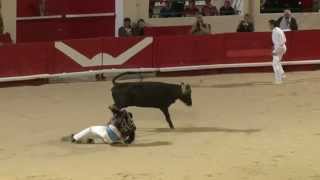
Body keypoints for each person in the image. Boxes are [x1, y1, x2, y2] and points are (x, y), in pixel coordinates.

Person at [64, 105, 136, 145]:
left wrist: (118, 109)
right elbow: (130, 140)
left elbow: (111, 107)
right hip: (113, 139)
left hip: (109, 132)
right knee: (104, 136)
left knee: (91, 129)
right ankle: (92, 141)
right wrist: (122, 141)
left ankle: (74, 138)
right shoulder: (132, 127)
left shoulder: (121, 114)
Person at [269, 19, 287, 84]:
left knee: (274, 63)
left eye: (269, 25)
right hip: (282, 47)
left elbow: (279, 42)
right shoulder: (279, 30)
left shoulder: (275, 31)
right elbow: (284, 40)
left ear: (272, 25)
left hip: (279, 48)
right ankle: (282, 74)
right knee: (277, 62)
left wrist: (275, 51)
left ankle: (278, 80)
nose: (269, 26)